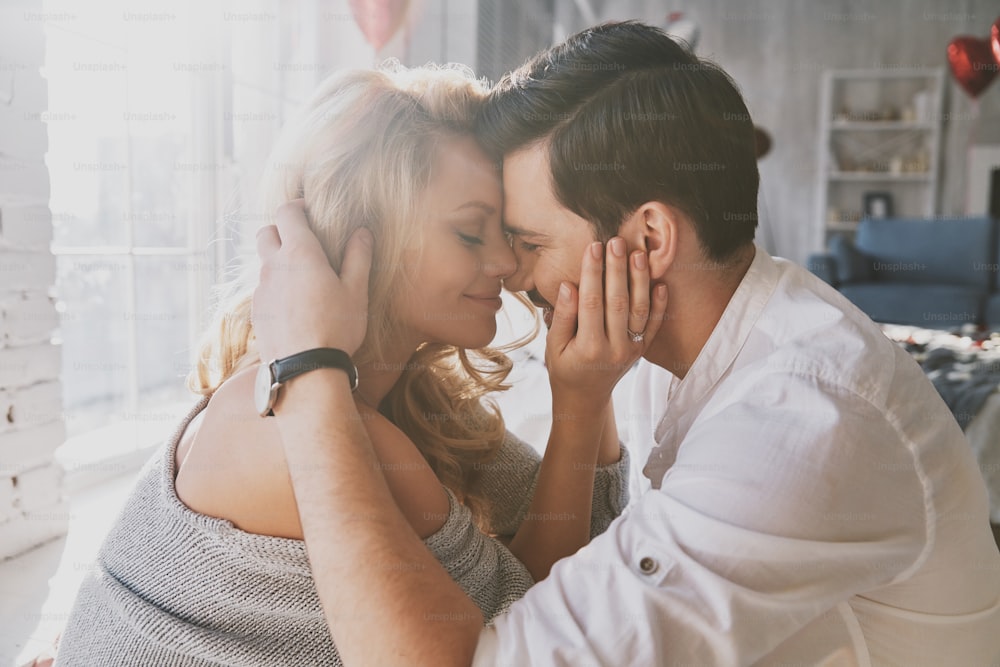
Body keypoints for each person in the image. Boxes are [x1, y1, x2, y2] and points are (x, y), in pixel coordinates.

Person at [250, 21, 1000, 666]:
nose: (512, 272)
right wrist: (582, 402)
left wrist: (309, 370)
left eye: (528, 240)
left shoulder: (798, 417)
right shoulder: (656, 353)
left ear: (648, 238)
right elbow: (570, 591)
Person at [52, 62, 666, 666]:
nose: (509, 263)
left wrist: (586, 387)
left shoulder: (413, 398)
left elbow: (587, 523)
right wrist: (580, 406)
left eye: (506, 231)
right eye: (471, 235)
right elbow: (529, 635)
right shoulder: (291, 420)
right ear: (362, 244)